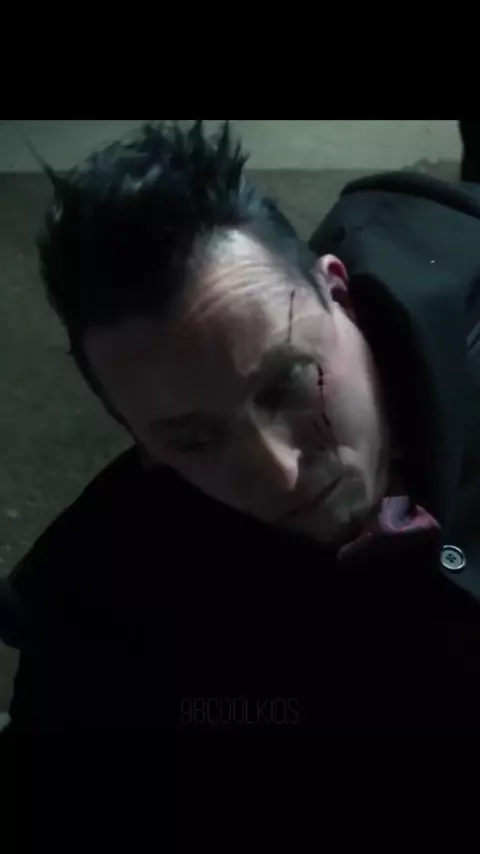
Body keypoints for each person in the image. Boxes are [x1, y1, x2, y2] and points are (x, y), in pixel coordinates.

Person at [3, 120, 480, 732]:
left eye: (286, 385)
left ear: (339, 294)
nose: (281, 474)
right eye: (193, 440)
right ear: (142, 442)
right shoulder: (104, 615)